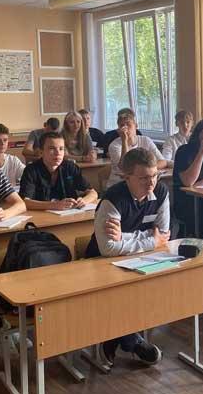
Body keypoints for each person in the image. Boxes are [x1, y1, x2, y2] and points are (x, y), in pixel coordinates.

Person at [84, 148, 167, 367]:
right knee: (121, 293)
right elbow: (108, 248)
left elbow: (164, 235)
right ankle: (131, 342)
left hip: (141, 260)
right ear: (126, 177)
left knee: (147, 292)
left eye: (154, 175)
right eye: (143, 178)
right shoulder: (112, 200)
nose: (151, 183)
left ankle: (117, 339)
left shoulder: (161, 192)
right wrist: (149, 239)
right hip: (101, 263)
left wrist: (126, 237)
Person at [19, 132, 98, 210]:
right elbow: (25, 202)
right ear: (41, 152)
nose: (58, 153)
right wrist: (54, 205)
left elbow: (93, 193)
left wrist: (84, 201)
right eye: (52, 148)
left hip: (69, 213)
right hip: (42, 215)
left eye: (61, 149)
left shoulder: (70, 167)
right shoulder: (31, 170)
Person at [105, 111, 167, 188]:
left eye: (128, 124)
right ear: (118, 130)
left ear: (136, 126)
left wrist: (147, 171)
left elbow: (163, 162)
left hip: (142, 183)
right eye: (122, 125)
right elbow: (124, 167)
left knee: (161, 187)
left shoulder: (146, 140)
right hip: (119, 185)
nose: (125, 128)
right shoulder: (114, 145)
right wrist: (124, 141)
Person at [0, 123, 25, 188]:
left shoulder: (13, 160)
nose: (2, 143)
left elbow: (28, 176)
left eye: (5, 140)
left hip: (12, 194)